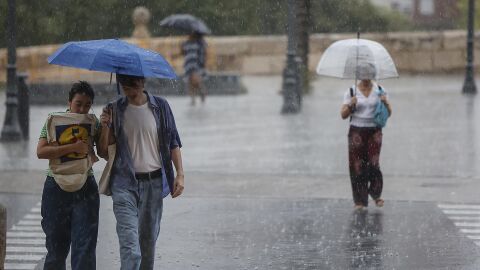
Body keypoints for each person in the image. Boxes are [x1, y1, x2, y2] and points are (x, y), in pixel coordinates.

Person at [99, 74, 184, 270]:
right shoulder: (114, 110)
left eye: (133, 82)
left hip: (153, 184)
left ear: (143, 81)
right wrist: (105, 126)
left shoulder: (161, 106)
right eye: (124, 83)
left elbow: (173, 142)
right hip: (124, 185)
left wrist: (180, 173)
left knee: (147, 248)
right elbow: (103, 152)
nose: (129, 86)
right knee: (131, 247)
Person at [37, 81, 103, 270]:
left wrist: (107, 126)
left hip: (85, 185)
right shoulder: (53, 120)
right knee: (56, 248)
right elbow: (41, 152)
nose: (82, 109)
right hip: (55, 185)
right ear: (69, 102)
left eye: (87, 105)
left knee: (85, 248)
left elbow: (105, 151)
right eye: (78, 104)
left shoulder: (94, 122)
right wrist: (74, 147)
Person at [340, 63, 392, 211]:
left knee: (373, 163)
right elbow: (343, 115)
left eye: (369, 75)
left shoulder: (380, 90)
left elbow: (389, 113)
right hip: (356, 131)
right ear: (359, 76)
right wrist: (351, 105)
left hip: (375, 131)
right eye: (363, 76)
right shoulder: (351, 91)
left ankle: (376, 194)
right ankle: (359, 200)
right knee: (357, 166)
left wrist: (385, 102)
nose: (366, 79)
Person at [182, 32, 207, 105]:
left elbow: (202, 54)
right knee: (190, 83)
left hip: (196, 65)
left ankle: (202, 95)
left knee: (197, 82)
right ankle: (193, 99)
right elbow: (184, 53)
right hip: (188, 64)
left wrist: (202, 64)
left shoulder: (199, 43)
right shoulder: (186, 43)